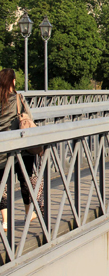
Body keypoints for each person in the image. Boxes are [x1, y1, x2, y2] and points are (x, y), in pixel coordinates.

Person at [0, 68, 43, 231]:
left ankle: (5, 220)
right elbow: (28, 119)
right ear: (13, 81)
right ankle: (28, 213)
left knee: (1, 184)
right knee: (25, 178)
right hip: (19, 148)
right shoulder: (17, 98)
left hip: (1, 148)